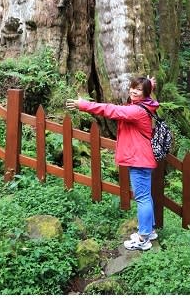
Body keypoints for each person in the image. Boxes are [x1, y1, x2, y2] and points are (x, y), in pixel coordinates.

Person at [66, 76, 159, 251]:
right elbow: (140, 95)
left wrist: (84, 105)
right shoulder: (147, 103)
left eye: (138, 90)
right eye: (132, 88)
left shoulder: (137, 111)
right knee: (145, 196)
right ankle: (149, 231)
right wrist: (149, 84)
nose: (133, 91)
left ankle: (143, 238)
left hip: (139, 159)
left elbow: (111, 110)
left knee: (143, 198)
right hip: (141, 157)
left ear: (146, 93)